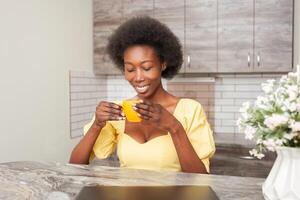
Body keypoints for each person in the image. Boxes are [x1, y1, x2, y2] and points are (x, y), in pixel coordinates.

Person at [69, 16, 215, 174]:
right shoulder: (119, 112)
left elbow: (201, 178)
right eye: (130, 69)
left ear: (163, 64)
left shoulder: (189, 110)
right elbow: (75, 166)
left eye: (146, 67)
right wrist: (96, 125)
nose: (138, 77)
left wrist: (174, 127)